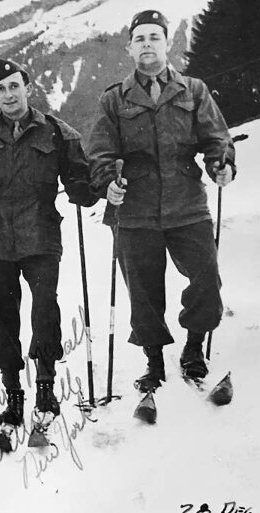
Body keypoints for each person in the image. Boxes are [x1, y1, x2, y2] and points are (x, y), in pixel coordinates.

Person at [0, 58, 97, 439]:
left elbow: (80, 176)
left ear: (27, 87)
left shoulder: (57, 134)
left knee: (45, 310)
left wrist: (84, 190)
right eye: (1, 89)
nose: (9, 95)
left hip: (40, 234)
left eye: (14, 86)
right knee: (0, 316)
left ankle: (45, 387)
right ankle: (13, 391)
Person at [87, 10, 236, 392]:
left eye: (155, 37)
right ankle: (153, 361)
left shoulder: (194, 91)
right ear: (129, 49)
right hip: (134, 211)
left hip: (187, 205)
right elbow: (101, 153)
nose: (148, 45)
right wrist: (108, 183)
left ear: (167, 44)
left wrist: (222, 164)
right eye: (140, 39)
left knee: (206, 280)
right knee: (143, 290)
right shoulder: (114, 100)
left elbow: (217, 139)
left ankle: (192, 349)